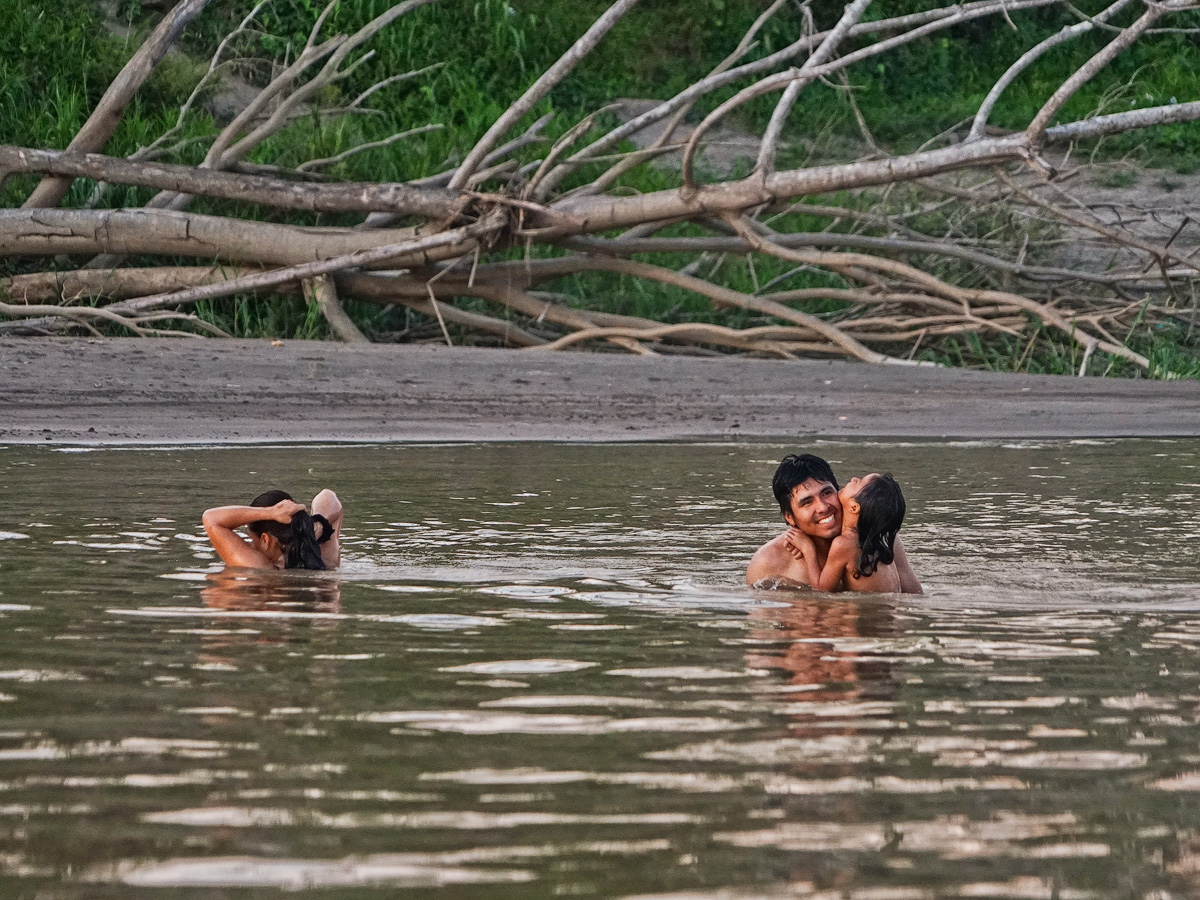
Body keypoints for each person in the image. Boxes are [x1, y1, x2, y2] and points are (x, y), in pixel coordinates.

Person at [746, 454, 920, 593]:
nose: (822, 507)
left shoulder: (882, 539)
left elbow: (915, 598)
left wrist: (808, 551)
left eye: (827, 492)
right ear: (789, 517)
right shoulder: (768, 563)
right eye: (807, 502)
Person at [787, 473, 914, 593]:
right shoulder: (877, 539)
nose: (853, 478)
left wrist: (808, 549)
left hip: (872, 614)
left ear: (854, 507)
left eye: (858, 482)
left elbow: (821, 590)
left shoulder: (844, 544)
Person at [202, 489, 343, 570]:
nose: (252, 546)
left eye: (253, 540)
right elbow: (327, 496)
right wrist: (315, 525)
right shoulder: (324, 558)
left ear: (265, 539)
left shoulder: (261, 568)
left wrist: (270, 513)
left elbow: (211, 518)